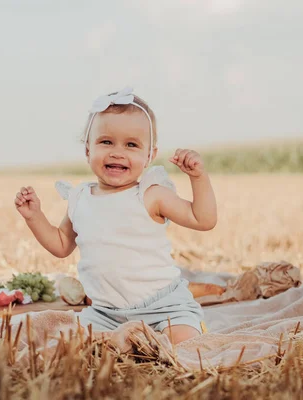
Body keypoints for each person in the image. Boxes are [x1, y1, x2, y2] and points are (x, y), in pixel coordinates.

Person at [14, 87, 217, 344]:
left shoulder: (150, 195)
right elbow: (61, 245)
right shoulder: (80, 199)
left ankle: (181, 327)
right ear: (88, 149)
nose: (117, 152)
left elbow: (204, 219)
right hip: (105, 313)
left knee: (184, 343)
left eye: (131, 145)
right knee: (73, 343)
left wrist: (198, 178)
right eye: (106, 141)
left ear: (149, 156)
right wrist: (34, 217)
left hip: (163, 307)